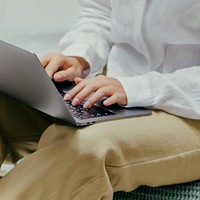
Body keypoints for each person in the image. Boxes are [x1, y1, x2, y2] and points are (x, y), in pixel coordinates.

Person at [0, 0, 200, 199]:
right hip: (118, 87)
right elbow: (101, 12)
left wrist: (135, 88)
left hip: (190, 108)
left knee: (86, 148)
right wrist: (79, 57)